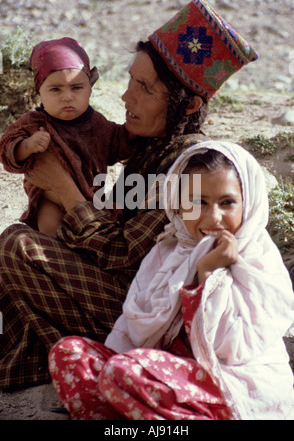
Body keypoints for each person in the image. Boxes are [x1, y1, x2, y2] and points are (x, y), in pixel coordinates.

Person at [0, 0, 258, 390]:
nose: (125, 98)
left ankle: (90, 359)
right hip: (121, 292)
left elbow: (121, 255)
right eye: (129, 81)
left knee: (17, 246)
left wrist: (67, 194)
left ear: (187, 104)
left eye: (144, 89)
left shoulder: (190, 169)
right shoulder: (149, 148)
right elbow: (109, 216)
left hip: (146, 311)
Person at [49, 140, 294, 420]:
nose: (213, 217)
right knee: (70, 353)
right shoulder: (168, 252)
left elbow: (229, 349)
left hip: (227, 387)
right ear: (177, 205)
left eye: (227, 203)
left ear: (248, 203)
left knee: (124, 372)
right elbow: (133, 330)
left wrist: (208, 274)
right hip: (162, 377)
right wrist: (109, 372)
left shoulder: (258, 262)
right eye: (196, 202)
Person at [0, 37, 133, 237]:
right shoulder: (34, 123)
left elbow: (118, 142)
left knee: (91, 232)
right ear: (39, 92)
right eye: (55, 89)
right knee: (49, 230)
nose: (67, 97)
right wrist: (26, 146)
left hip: (90, 200)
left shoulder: (97, 124)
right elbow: (7, 150)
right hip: (50, 199)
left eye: (76, 88)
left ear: (90, 87)